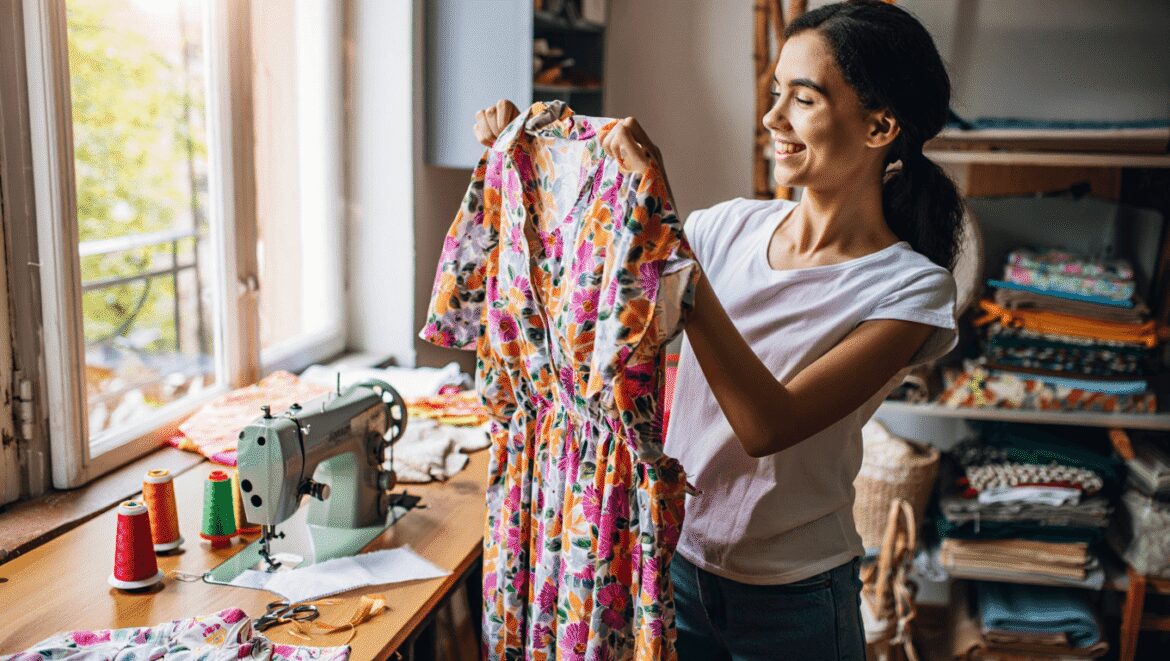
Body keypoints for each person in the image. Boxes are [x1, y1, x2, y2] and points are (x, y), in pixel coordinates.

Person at [472, 1, 961, 658]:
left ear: (880, 126)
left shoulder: (909, 289)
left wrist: (671, 244)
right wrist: (527, 152)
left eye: (804, 98)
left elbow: (768, 424)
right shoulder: (722, 227)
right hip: (672, 562)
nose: (772, 116)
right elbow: (581, 310)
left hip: (797, 596)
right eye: (776, 91)